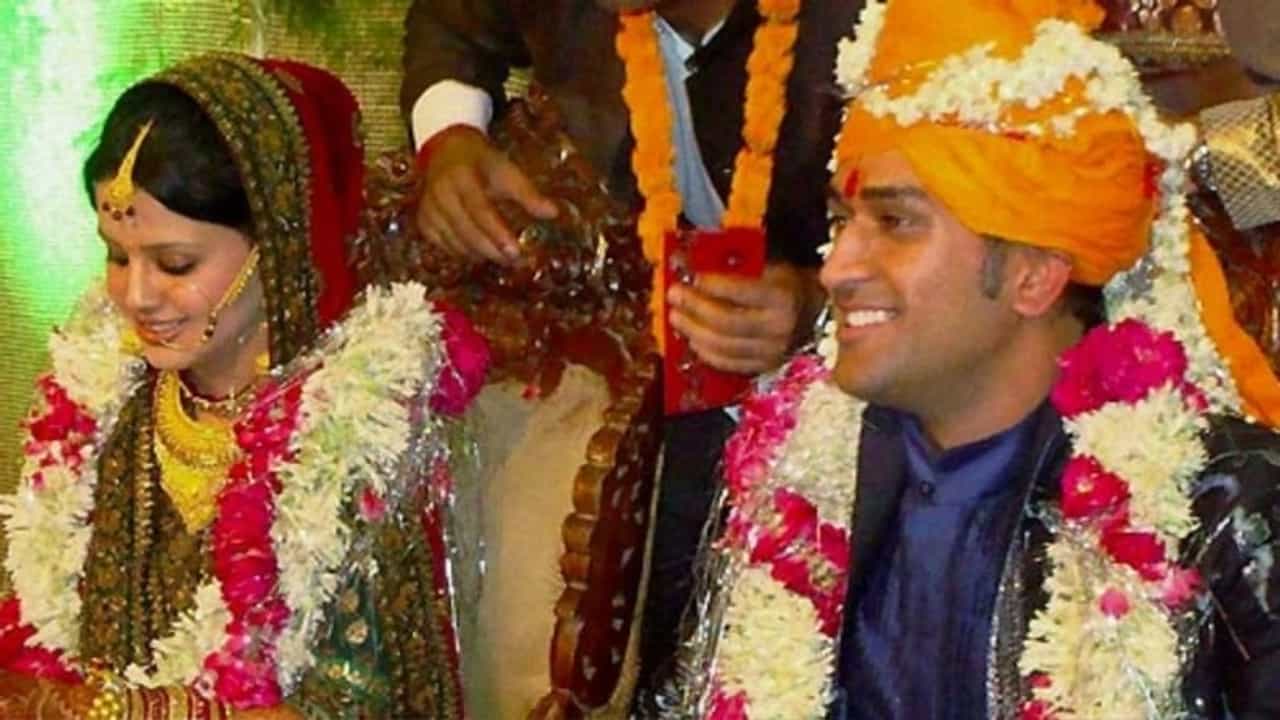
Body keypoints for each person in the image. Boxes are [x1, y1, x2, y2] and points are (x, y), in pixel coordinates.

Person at [662, 0, 1280, 717]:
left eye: (895, 222)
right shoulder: (800, 470)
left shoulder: (1219, 512)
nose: (834, 268)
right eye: (841, 220)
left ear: (1033, 275)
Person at [0, 53, 489, 719]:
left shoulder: (356, 429)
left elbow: (363, 703)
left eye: (175, 263)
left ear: (279, 241)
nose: (136, 296)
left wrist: (132, 711)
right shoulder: (103, 408)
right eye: (116, 256)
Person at [401, 0, 861, 697]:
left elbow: (959, 242)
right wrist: (450, 138)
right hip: (669, 376)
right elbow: (452, 21)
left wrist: (817, 306)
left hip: (872, 404)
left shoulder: (862, 21)